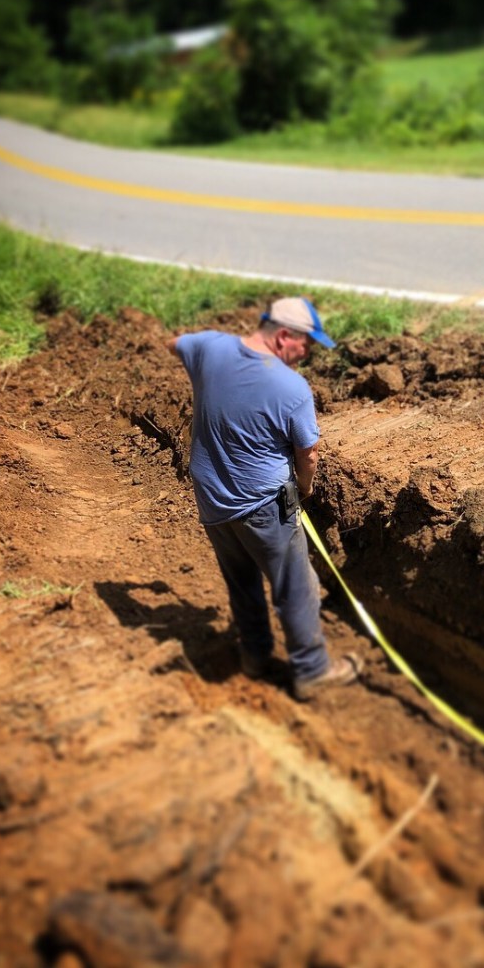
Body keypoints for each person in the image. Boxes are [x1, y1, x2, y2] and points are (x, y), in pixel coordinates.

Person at [167, 296, 361, 700]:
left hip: (211, 497)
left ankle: (255, 656)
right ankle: (312, 670)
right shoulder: (291, 387)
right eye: (307, 344)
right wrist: (305, 488)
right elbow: (307, 454)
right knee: (296, 585)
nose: (307, 354)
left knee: (241, 581)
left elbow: (176, 343)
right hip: (262, 505)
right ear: (284, 336)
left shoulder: (209, 347)